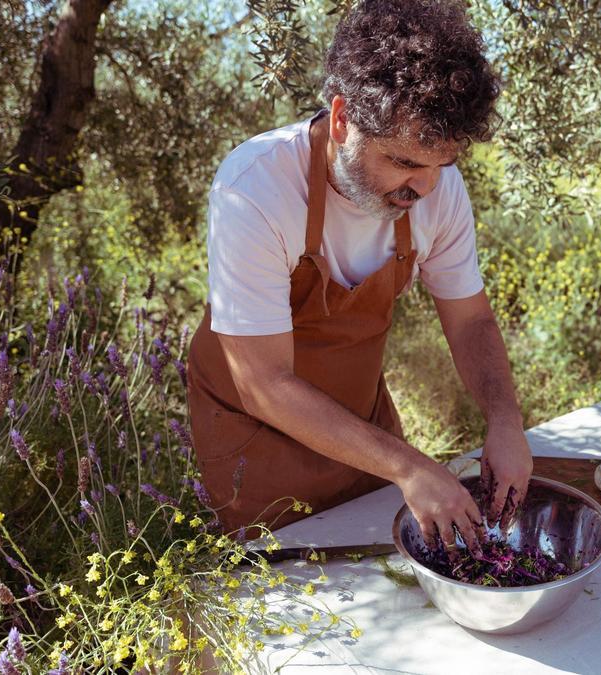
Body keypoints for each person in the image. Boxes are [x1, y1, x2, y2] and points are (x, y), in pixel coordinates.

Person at [184, 0, 530, 550]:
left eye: (439, 165)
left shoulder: (436, 188)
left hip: (362, 423)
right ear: (342, 119)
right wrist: (411, 466)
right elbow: (264, 384)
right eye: (402, 161)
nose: (423, 188)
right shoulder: (255, 188)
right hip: (257, 432)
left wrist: (505, 421)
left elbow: (470, 321)